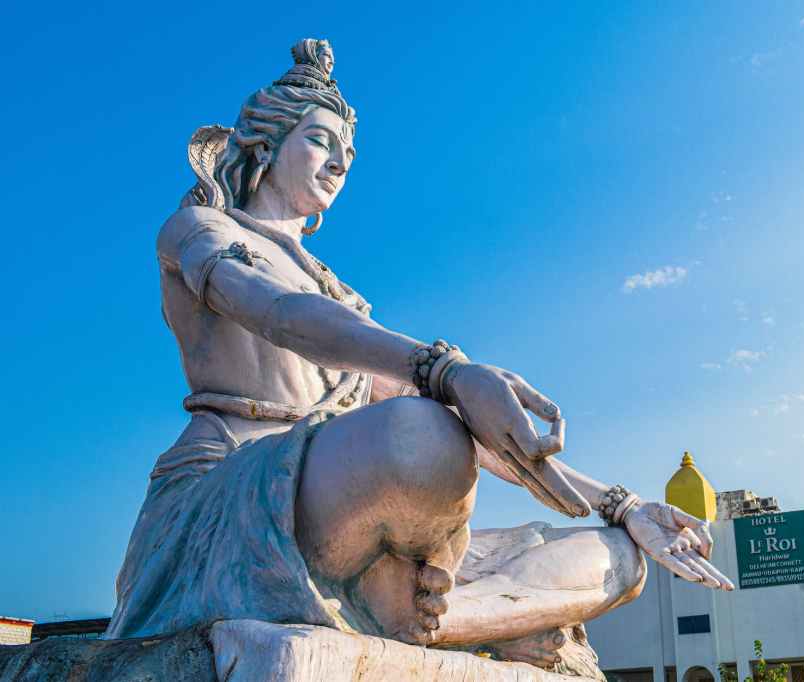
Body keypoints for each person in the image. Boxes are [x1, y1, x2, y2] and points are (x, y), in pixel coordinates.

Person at [106, 38, 733, 673]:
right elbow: (280, 313)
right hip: (238, 494)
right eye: (321, 142)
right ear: (264, 147)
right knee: (423, 435)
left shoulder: (341, 296)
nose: (339, 165)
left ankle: (432, 620)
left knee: (621, 560)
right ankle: (422, 612)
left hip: (363, 521)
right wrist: (446, 372)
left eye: (349, 155)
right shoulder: (201, 231)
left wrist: (624, 506)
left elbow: (489, 438)